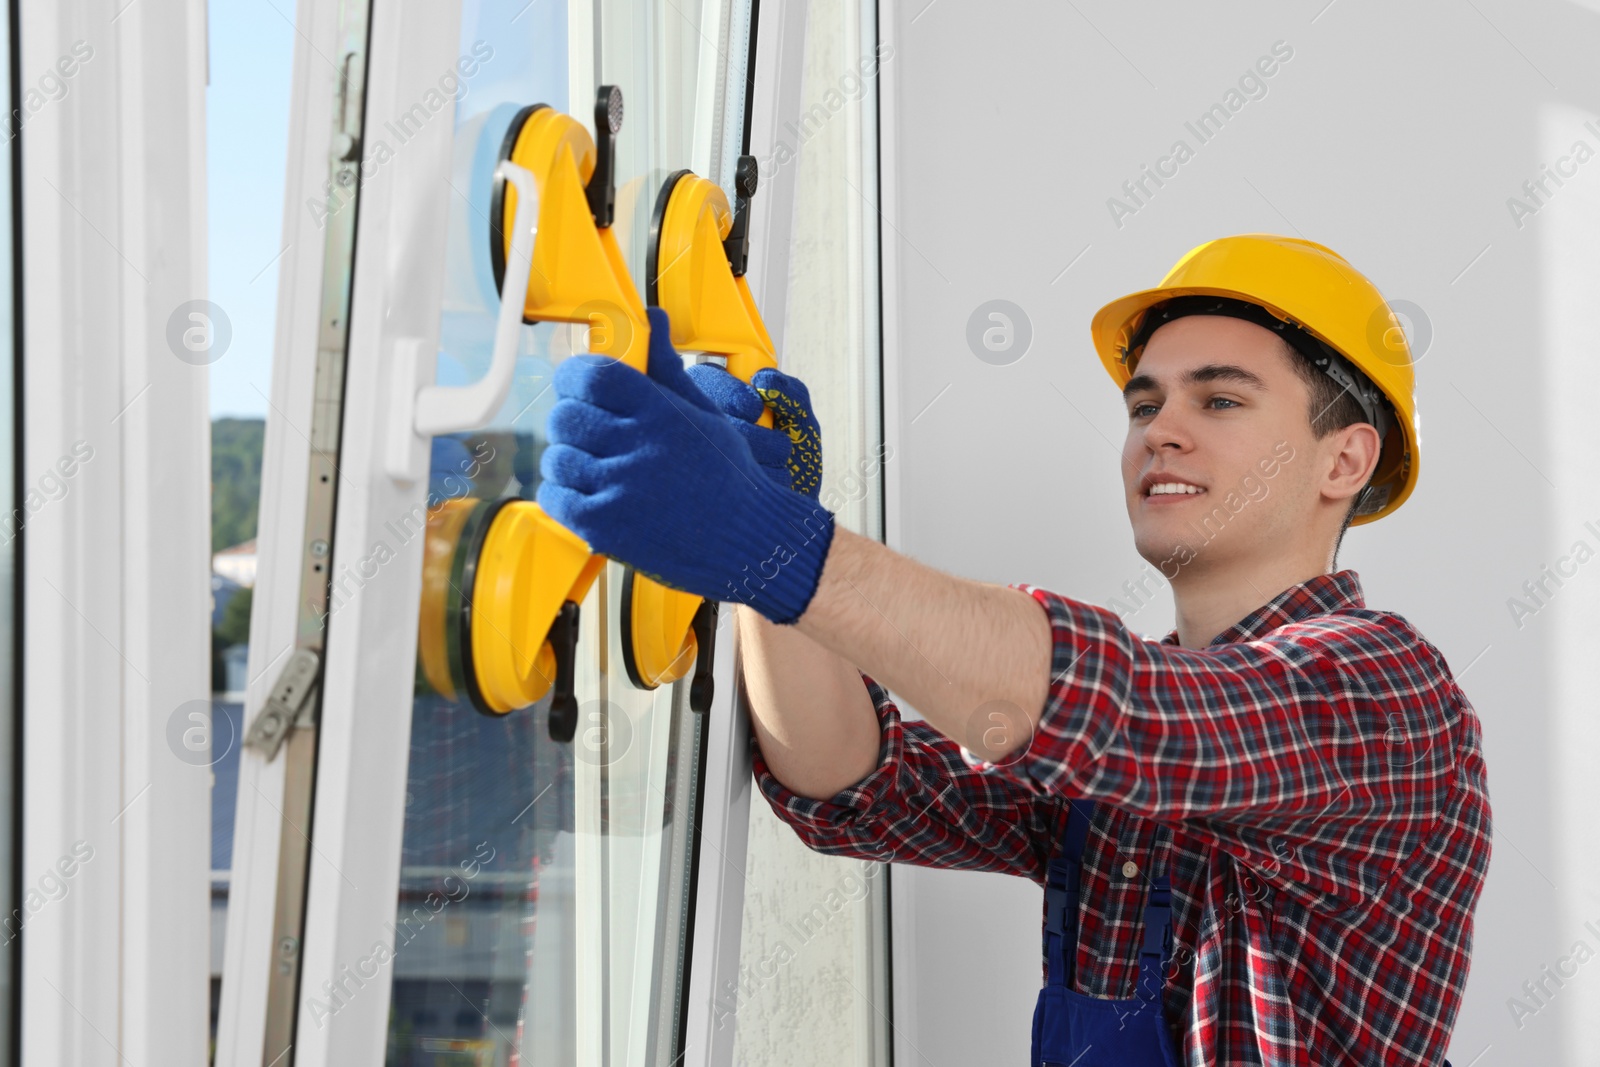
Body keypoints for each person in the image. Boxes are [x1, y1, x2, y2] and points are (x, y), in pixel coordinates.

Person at [535, 233, 1492, 1065]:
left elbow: (1120, 710)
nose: (1161, 430)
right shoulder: (1131, 749)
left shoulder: (1387, 693)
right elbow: (854, 786)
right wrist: (765, 570)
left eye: (1221, 402)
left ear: (1345, 460)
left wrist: (775, 541)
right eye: (1143, 404)